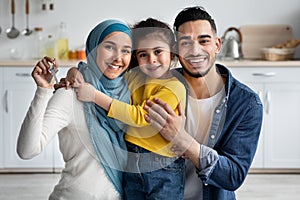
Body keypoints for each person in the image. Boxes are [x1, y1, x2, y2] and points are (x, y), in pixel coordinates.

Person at [143, 6, 263, 200]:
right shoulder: (156, 87)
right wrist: (77, 71)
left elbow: (233, 176)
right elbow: (112, 80)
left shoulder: (247, 104)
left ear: (217, 45)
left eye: (203, 40)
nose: (195, 50)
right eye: (185, 43)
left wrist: (183, 141)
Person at [65, 18, 187, 200]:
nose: (151, 59)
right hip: (131, 162)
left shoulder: (174, 87)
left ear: (173, 52)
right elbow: (104, 79)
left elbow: (141, 116)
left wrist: (94, 97)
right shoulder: (134, 78)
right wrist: (73, 73)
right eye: (143, 54)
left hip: (162, 167)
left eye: (158, 51)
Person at [16, 19, 133, 199]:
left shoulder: (131, 94)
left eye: (125, 50)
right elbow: (27, 150)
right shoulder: (70, 93)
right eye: (109, 47)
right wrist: (43, 91)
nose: (118, 57)